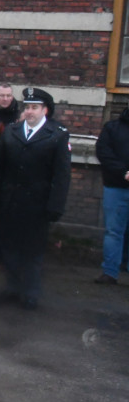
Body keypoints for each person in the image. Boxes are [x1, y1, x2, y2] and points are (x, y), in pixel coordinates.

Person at [0, 87, 71, 310]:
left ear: (45, 110)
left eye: (35, 108)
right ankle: (12, 287)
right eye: (28, 107)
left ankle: (30, 292)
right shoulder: (12, 131)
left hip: (37, 203)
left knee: (33, 250)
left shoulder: (58, 134)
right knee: (9, 246)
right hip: (10, 200)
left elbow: (61, 175)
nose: (30, 111)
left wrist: (55, 205)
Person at [93, 105, 129, 284]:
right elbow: (103, 153)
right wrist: (124, 172)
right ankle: (110, 271)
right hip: (116, 187)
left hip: (117, 186)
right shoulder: (112, 128)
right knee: (114, 231)